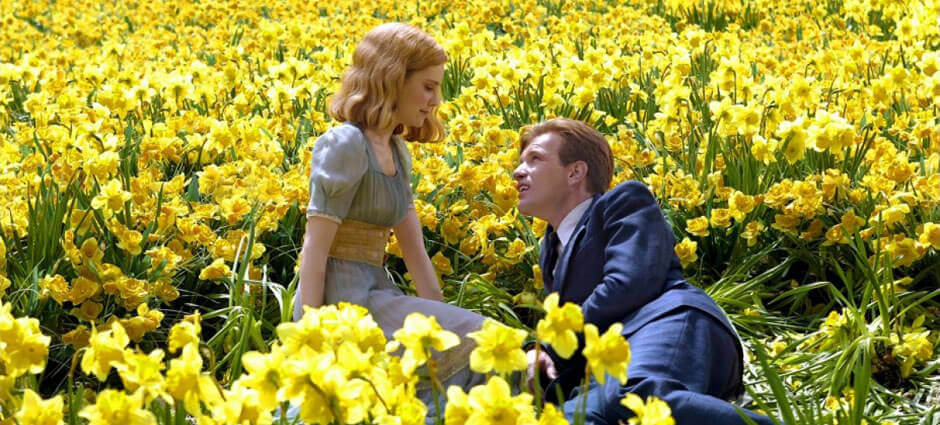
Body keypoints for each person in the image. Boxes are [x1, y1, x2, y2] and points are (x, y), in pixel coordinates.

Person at [512, 118, 774, 425]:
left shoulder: (624, 201)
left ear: (575, 172)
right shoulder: (550, 246)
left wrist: (552, 346)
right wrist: (538, 351)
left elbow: (628, 284)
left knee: (638, 400)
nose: (517, 172)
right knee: (577, 416)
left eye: (535, 159)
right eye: (520, 162)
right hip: (613, 352)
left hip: (667, 320)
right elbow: (568, 321)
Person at [293, 22, 484, 415]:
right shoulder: (344, 144)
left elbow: (415, 253)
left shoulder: (396, 151)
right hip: (341, 305)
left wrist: (444, 321)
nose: (435, 99)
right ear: (392, 79)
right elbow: (314, 249)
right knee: (486, 339)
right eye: (428, 86)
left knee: (477, 346)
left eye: (438, 88)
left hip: (378, 294)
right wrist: (307, 336)